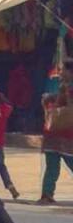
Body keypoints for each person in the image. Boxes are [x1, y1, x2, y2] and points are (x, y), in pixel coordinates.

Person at [40, 58, 73, 204]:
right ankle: (47, 194)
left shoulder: (67, 88)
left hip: (66, 134)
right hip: (54, 133)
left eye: (63, 69)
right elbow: (59, 104)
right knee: (52, 165)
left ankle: (47, 194)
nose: (60, 72)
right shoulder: (61, 85)